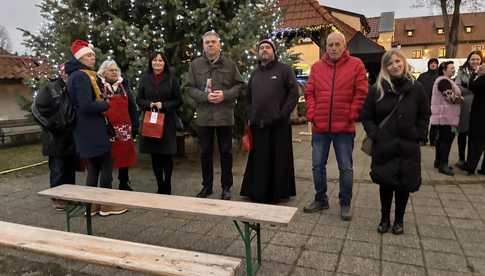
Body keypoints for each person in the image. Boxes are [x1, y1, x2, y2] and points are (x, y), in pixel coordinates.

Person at [360, 49, 430, 235]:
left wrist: (419, 134)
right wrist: (376, 134)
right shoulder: (377, 89)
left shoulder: (416, 88)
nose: (395, 66)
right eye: (390, 63)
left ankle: (399, 220)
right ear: (385, 67)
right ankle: (384, 219)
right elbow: (366, 116)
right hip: (385, 145)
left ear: (404, 62)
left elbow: (424, 114)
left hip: (408, 146)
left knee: (404, 185)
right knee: (386, 183)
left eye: (398, 61)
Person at [303, 32, 368, 220]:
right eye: (330, 44)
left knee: (346, 168)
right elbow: (310, 93)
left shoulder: (356, 65)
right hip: (320, 127)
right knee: (317, 165)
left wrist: (352, 114)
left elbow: (361, 93)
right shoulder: (316, 67)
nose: (333, 48)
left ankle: (345, 202)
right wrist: (312, 114)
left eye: (337, 44)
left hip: (344, 128)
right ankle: (320, 198)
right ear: (326, 47)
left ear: (344, 46)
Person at [65, 39, 127, 216]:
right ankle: (106, 205)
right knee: (106, 164)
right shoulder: (82, 76)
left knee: (93, 167)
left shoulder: (76, 75)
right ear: (81, 57)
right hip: (91, 129)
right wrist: (104, 104)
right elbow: (85, 105)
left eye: (93, 55)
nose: (93, 58)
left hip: (84, 130)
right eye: (89, 55)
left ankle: (91, 206)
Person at [186, 31, 245, 200]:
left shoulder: (229, 64)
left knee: (226, 152)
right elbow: (189, 87)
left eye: (213, 42)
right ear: (203, 45)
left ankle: (226, 187)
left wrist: (224, 95)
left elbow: (240, 85)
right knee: (205, 152)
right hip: (204, 117)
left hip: (224, 116)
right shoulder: (195, 65)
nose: (210, 45)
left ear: (219, 44)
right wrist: (205, 97)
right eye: (207, 42)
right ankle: (207, 186)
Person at [240, 39, 299, 203]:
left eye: (267, 47)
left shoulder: (285, 70)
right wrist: (250, 115)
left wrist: (282, 114)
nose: (264, 50)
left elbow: (294, 93)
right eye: (261, 48)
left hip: (278, 125)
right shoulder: (255, 73)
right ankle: (257, 192)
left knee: (278, 160)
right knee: (260, 160)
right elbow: (248, 98)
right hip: (258, 125)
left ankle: (277, 193)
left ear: (274, 51)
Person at [137, 51, 182, 194]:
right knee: (155, 155)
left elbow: (178, 100)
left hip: (167, 121)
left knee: (167, 155)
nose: (157, 63)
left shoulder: (171, 79)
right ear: (151, 63)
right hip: (151, 121)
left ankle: (167, 186)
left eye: (160, 60)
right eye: (155, 60)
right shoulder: (145, 78)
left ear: (164, 63)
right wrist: (149, 104)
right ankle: (160, 185)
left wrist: (163, 105)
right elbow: (139, 99)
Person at [33, 64, 76, 210]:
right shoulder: (50, 88)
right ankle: (58, 198)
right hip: (55, 137)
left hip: (70, 136)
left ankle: (70, 196)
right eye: (65, 72)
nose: (68, 74)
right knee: (58, 169)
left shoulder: (73, 88)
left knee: (69, 169)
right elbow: (36, 109)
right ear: (61, 72)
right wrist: (52, 125)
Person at [97, 59, 138, 191]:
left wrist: (135, 125)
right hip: (106, 129)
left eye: (116, 70)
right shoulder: (98, 86)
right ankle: (106, 184)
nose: (114, 72)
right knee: (108, 157)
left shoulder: (123, 85)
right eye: (111, 70)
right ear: (104, 72)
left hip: (124, 128)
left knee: (125, 155)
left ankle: (124, 182)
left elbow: (132, 106)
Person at [431, 61, 463, 176]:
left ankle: (439, 162)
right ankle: (443, 164)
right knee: (446, 141)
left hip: (445, 116)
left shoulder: (444, 80)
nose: (454, 70)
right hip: (446, 116)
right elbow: (449, 97)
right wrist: (461, 99)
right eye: (451, 68)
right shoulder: (443, 81)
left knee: (442, 140)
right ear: (444, 69)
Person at [455, 51, 484, 172]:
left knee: (476, 135)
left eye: (477, 59)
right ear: (468, 60)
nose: (475, 62)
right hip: (466, 103)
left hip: (479, 106)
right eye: (473, 59)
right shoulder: (462, 71)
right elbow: (457, 85)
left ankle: (471, 161)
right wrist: (470, 90)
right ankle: (462, 157)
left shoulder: (483, 71)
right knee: (463, 131)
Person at [466, 63, 485, 175]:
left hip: (480, 117)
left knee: (476, 144)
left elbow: (472, 86)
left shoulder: (482, 80)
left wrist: (475, 74)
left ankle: (471, 167)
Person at [417, 58, 439, 145]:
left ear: (437, 65)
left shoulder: (440, 76)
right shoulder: (422, 76)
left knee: (435, 123)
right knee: (423, 122)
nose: (433, 65)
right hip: (424, 102)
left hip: (436, 103)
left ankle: (433, 140)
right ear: (428, 65)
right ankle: (423, 139)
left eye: (435, 63)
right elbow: (417, 87)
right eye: (431, 63)